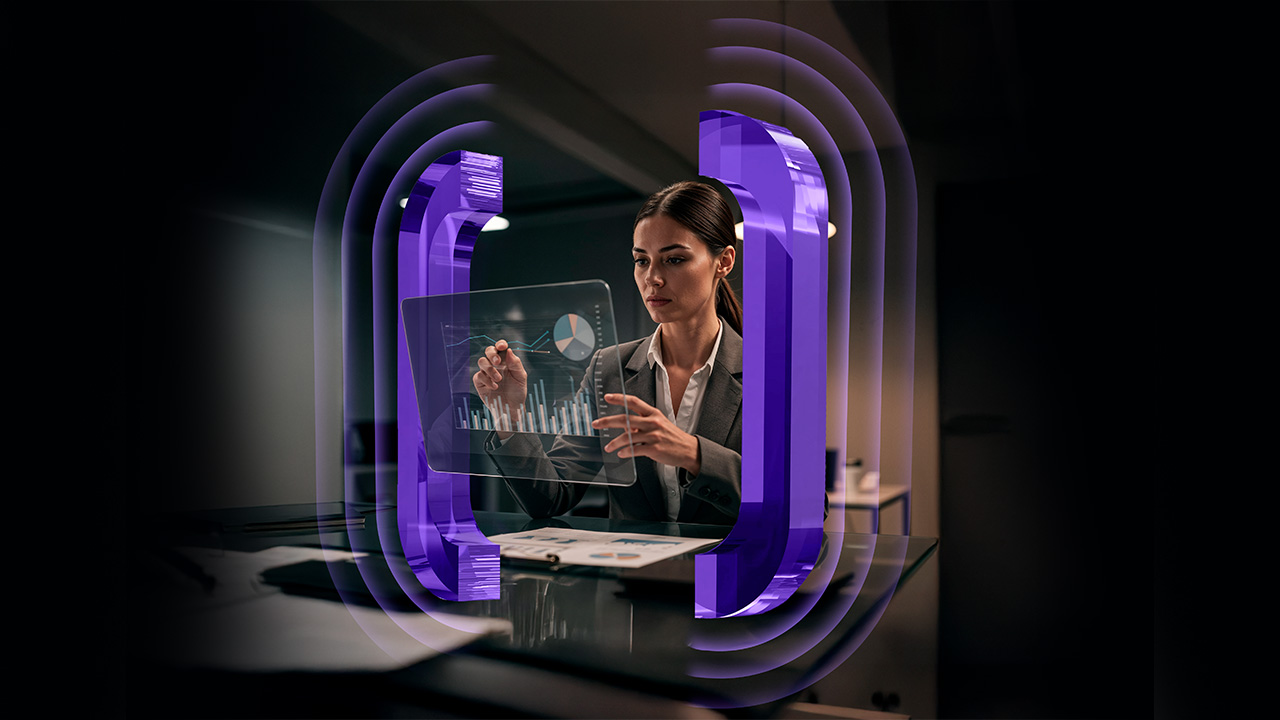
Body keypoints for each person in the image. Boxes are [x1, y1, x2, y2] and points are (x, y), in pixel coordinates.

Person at [473, 181, 743, 525]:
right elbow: (552, 497)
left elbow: (797, 500)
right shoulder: (609, 368)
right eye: (641, 261)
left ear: (723, 262)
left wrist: (694, 455)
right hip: (634, 561)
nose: (653, 278)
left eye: (674, 259)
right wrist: (509, 419)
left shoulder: (775, 373)